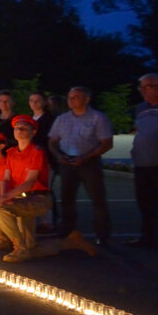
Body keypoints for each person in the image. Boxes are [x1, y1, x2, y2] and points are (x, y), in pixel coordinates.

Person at [0, 115, 96, 263]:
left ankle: (20, 248)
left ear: (32, 132)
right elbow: (7, 179)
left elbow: (30, 182)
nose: (18, 131)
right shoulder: (11, 153)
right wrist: (4, 198)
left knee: (2, 210)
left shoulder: (37, 152)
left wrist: (3, 199)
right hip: (19, 198)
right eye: (16, 128)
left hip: (37, 198)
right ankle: (69, 242)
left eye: (23, 128)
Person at [48, 86, 113, 245]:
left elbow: (106, 143)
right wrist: (58, 156)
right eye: (70, 97)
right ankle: (67, 231)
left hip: (89, 163)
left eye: (75, 97)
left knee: (98, 199)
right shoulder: (62, 119)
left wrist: (85, 158)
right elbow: (52, 141)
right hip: (67, 163)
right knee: (67, 199)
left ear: (86, 99)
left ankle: (102, 235)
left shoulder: (98, 118)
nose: (71, 100)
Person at [129, 73, 158, 249]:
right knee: (146, 205)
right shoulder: (141, 108)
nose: (142, 90)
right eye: (141, 87)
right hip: (143, 165)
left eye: (147, 86)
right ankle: (148, 239)